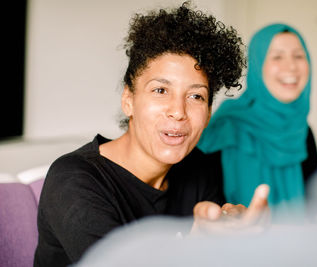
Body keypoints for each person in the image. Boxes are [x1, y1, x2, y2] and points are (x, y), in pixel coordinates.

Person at [33, 3, 269, 267]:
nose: (178, 112)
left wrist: (237, 237)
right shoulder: (74, 180)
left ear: (209, 114)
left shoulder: (201, 168)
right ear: (128, 100)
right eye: (160, 90)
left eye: (196, 96)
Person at [197, 23, 317, 220]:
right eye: (277, 57)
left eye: (299, 56)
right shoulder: (224, 129)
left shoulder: (302, 132)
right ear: (257, 65)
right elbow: (203, 208)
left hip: (298, 247)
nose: (291, 66)